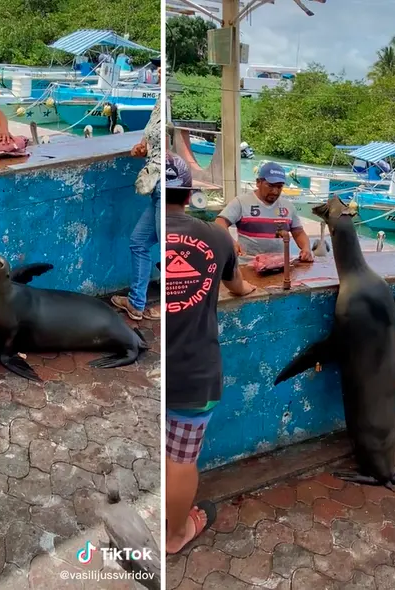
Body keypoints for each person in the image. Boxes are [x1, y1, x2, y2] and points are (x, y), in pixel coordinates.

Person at [164, 152, 256, 555]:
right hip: (194, 371)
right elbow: (238, 286)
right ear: (189, 193)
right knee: (180, 458)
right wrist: (249, 288)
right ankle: (174, 535)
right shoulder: (218, 238)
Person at [110, 58, 163, 321]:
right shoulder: (158, 104)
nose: (159, 71)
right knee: (139, 242)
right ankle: (137, 303)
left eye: (163, 66)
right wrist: (142, 148)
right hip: (155, 185)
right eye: (158, 67)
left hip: (167, 184)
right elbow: (150, 139)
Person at [214, 162, 314, 262]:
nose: (275, 191)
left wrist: (306, 248)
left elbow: (298, 232)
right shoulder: (241, 202)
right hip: (247, 263)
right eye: (270, 186)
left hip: (278, 264)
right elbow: (220, 222)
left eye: (279, 187)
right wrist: (230, 241)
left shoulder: (288, 207)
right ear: (258, 182)